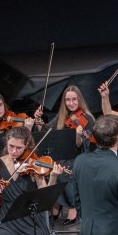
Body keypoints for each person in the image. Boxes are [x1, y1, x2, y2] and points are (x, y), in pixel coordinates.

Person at [50, 85, 98, 225]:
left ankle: (72, 207)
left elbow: (83, 145)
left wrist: (78, 135)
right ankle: (57, 204)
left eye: (74, 100)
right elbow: (48, 130)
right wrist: (39, 122)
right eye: (68, 100)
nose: (71, 103)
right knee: (52, 165)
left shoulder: (87, 118)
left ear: (79, 100)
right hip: (66, 154)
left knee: (66, 169)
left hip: (83, 155)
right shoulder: (62, 117)